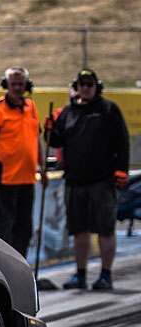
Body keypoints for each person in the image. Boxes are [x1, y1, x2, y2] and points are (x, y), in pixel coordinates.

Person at [48, 68, 130, 290]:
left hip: (102, 180)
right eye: (81, 84)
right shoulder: (68, 112)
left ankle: (106, 275)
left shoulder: (108, 110)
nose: (85, 88)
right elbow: (56, 141)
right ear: (76, 87)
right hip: (75, 180)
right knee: (79, 230)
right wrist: (48, 130)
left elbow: (122, 140)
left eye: (89, 84)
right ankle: (81, 274)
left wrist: (122, 170)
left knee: (105, 229)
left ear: (97, 87)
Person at [0, 66, 46, 258]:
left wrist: (43, 167)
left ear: (27, 85)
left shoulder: (31, 107)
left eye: (20, 84)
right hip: (5, 179)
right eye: (13, 84)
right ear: (6, 85)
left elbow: (36, 139)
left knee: (24, 229)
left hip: (27, 178)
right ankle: (5, 266)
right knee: (5, 229)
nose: (16, 88)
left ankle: (21, 265)